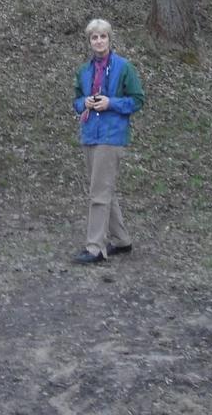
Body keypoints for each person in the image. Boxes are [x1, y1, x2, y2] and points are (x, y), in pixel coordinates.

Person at [71, 18, 144, 264]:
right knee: (103, 189)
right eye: (94, 37)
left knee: (98, 193)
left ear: (109, 39)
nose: (99, 41)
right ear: (89, 41)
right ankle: (122, 240)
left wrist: (110, 103)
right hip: (90, 134)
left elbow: (137, 100)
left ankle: (95, 248)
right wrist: (84, 103)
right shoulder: (84, 71)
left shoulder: (124, 67)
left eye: (103, 36)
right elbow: (76, 101)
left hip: (111, 136)